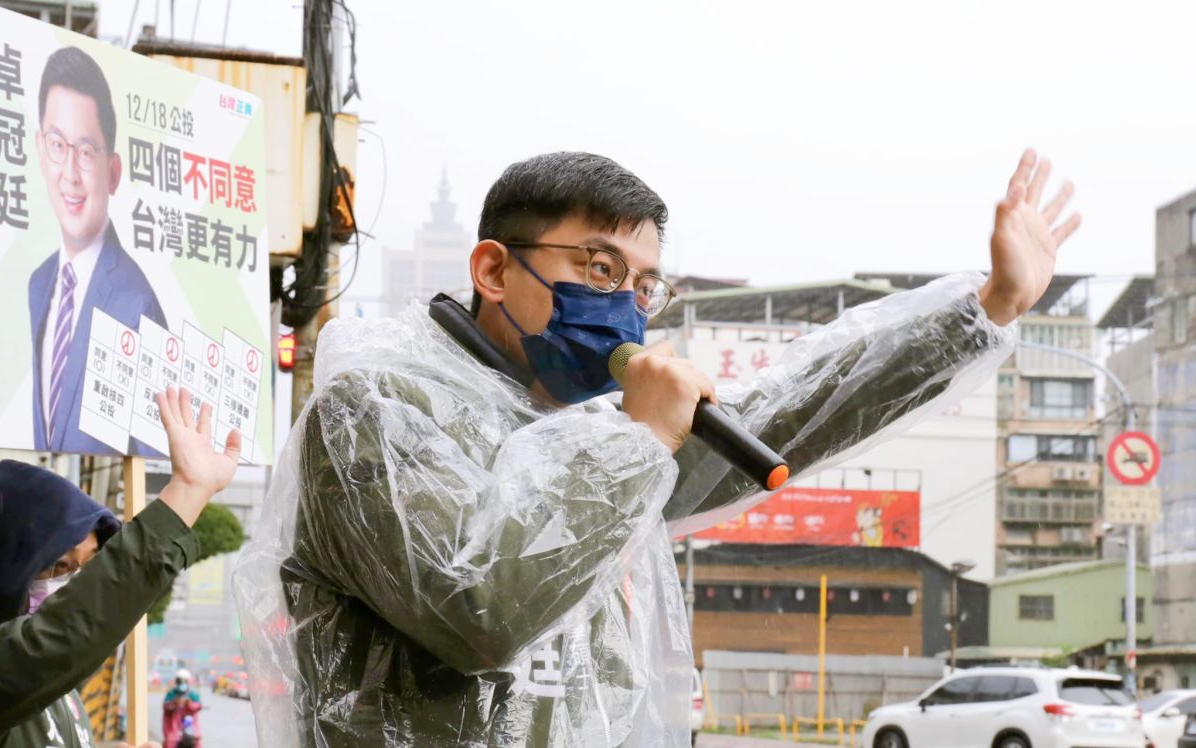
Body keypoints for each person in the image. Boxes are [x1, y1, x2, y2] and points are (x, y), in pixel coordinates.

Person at [234, 149, 1080, 746]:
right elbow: (478, 609)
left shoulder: (599, 435)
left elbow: (786, 412)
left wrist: (985, 310)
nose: (627, 306)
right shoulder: (375, 409)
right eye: (598, 270)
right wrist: (640, 437)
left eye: (644, 286)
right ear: (494, 271)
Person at [0, 387, 241, 748]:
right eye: (60, 565)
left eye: (86, 567)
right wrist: (187, 491)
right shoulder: (19, 669)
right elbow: (64, 636)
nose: (75, 584)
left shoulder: (64, 691)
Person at [27, 45, 167, 454]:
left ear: (113, 172)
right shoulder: (38, 284)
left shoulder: (136, 301)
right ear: (39, 147)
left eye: (86, 152)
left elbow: (152, 455)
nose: (69, 174)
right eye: (58, 145)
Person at [161, 669, 202, 748]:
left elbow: (197, 706)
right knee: (171, 742)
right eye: (180, 681)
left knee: (196, 742)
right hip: (173, 728)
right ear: (177, 681)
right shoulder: (171, 694)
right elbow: (166, 706)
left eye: (184, 681)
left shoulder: (193, 694)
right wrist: (175, 703)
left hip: (191, 726)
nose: (182, 683)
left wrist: (188, 703)